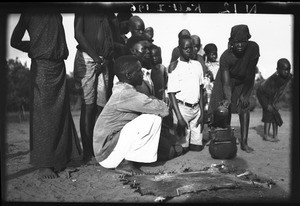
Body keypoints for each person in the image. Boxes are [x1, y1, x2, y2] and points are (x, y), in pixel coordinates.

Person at [10, 12, 82, 179]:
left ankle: (60, 159)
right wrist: (35, 46)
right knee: (43, 115)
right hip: (42, 67)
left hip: (59, 67)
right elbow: (14, 41)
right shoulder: (29, 12)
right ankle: (44, 164)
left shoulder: (56, 12)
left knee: (61, 114)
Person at [93, 55, 169, 175]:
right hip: (106, 154)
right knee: (152, 118)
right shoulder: (126, 93)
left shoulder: (124, 89)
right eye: (139, 71)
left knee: (164, 149)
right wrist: (157, 101)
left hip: (109, 150)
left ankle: (131, 159)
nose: (142, 74)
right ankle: (126, 164)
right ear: (128, 75)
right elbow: (163, 109)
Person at [208, 24, 260, 153]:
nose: (241, 45)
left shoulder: (253, 48)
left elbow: (250, 73)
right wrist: (228, 98)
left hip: (244, 79)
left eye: (243, 42)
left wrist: (245, 94)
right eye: (237, 42)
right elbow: (226, 83)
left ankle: (244, 142)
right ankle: (223, 138)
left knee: (244, 106)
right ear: (231, 42)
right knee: (223, 108)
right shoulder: (226, 57)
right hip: (227, 80)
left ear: (248, 40)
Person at [73, 12, 116, 163]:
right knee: (88, 106)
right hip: (88, 58)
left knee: (101, 107)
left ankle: (99, 149)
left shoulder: (107, 12)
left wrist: (105, 60)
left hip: (103, 61)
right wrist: (96, 58)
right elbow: (78, 34)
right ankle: (87, 153)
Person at [167, 35, 205, 153]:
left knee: (197, 148)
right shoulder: (175, 67)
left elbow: (201, 90)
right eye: (186, 48)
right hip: (182, 110)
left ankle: (192, 136)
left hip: (196, 110)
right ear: (179, 49)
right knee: (183, 149)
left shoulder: (197, 65)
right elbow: (171, 94)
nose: (189, 50)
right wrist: (179, 118)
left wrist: (202, 113)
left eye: (192, 47)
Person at [256, 58, 292, 142]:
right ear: (277, 70)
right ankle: (266, 135)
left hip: (273, 95)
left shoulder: (288, 76)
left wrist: (276, 103)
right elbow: (268, 93)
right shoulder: (272, 80)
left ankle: (275, 135)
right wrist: (268, 104)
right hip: (263, 94)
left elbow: (282, 90)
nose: (287, 72)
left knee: (275, 114)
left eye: (288, 70)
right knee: (269, 112)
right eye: (284, 70)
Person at [203, 43, 219, 115]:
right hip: (208, 88)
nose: (214, 56)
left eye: (215, 54)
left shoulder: (220, 64)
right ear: (206, 55)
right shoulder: (205, 65)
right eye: (211, 54)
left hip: (217, 86)